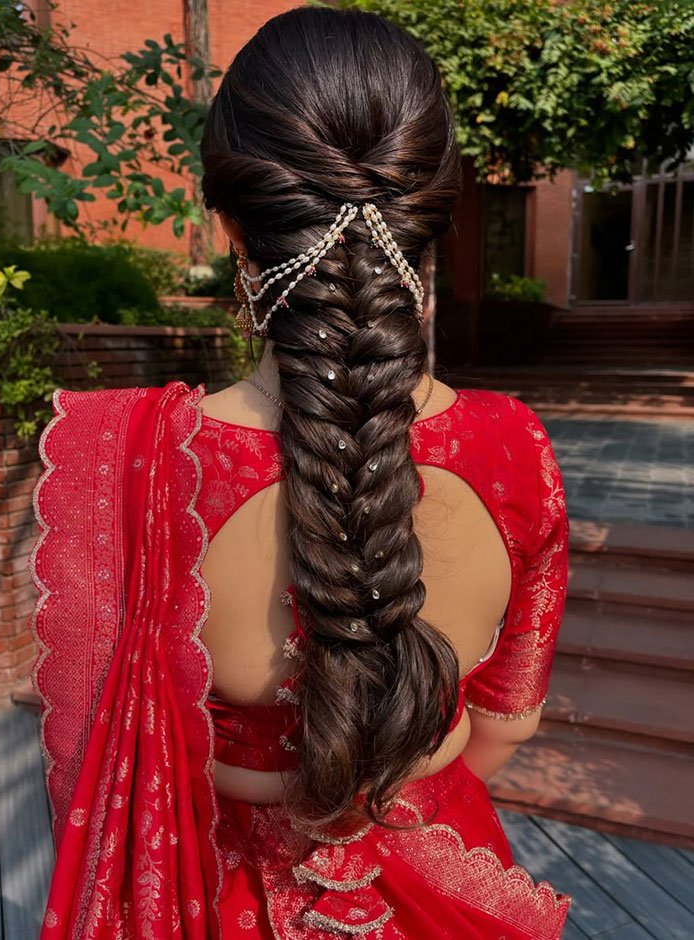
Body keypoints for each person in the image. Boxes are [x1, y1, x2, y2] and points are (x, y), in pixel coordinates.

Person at [30, 7, 571, 938]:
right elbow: (505, 723)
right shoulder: (515, 446)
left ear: (235, 226)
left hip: (215, 890)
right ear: (432, 209)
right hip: (447, 887)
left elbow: (95, 757)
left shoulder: (138, 466)